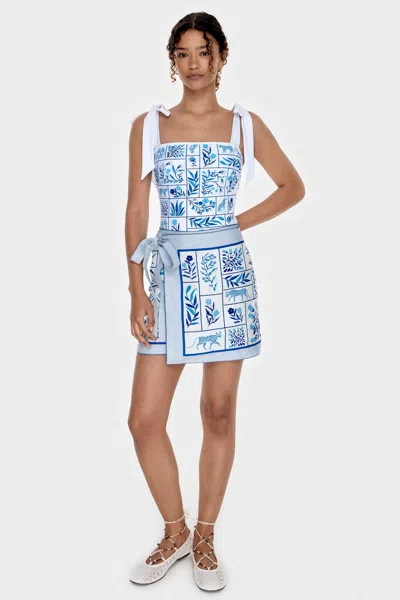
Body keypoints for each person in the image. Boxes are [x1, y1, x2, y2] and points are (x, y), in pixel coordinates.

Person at [125, 11, 305, 592]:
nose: (193, 64)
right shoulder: (149, 126)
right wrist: (135, 287)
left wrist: (235, 223)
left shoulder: (245, 126)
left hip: (225, 280)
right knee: (143, 420)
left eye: (204, 51)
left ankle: (204, 535)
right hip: (168, 279)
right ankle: (174, 531)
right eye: (182, 53)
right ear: (172, 62)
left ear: (222, 57)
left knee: (218, 410)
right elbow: (136, 209)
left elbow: (293, 186)